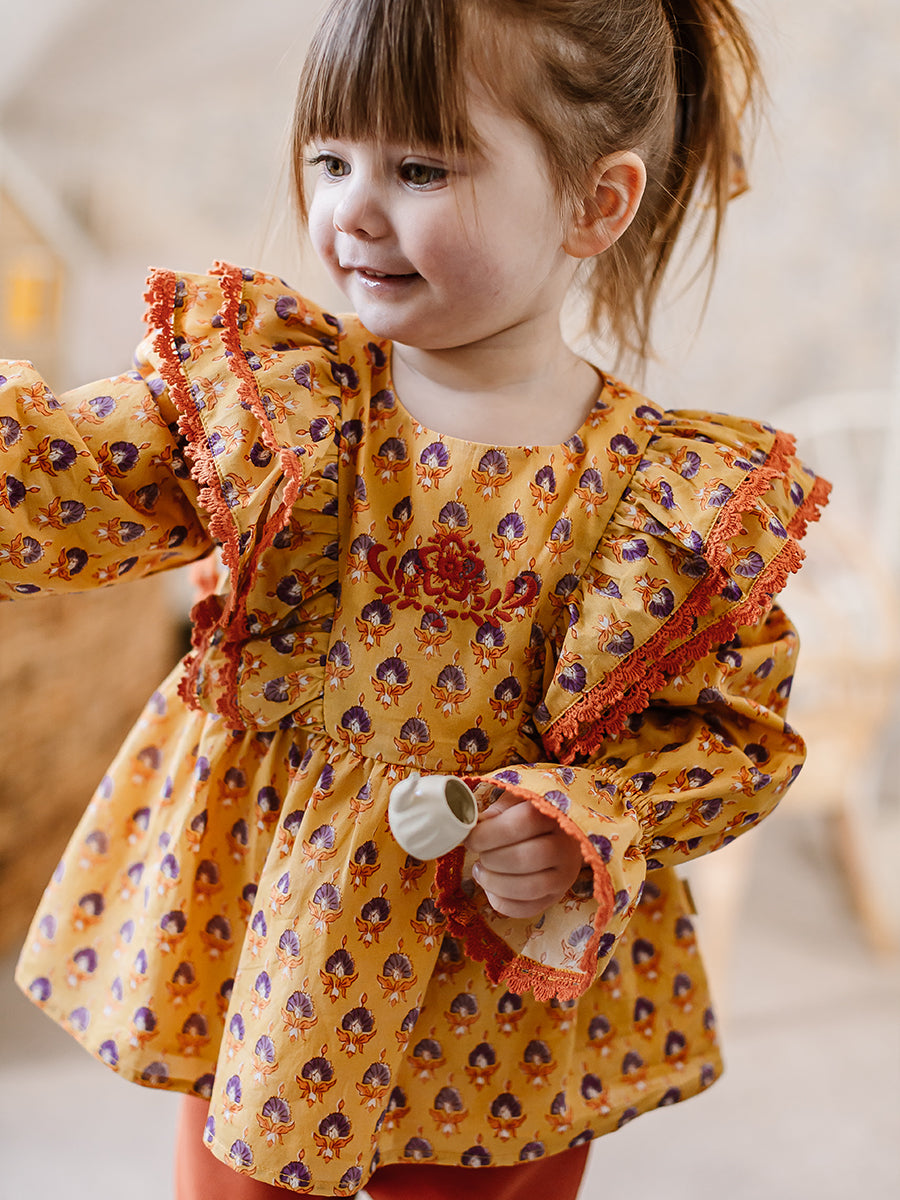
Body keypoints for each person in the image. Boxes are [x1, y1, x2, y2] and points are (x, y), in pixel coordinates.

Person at [4, 1, 830, 1197]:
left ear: (596, 204)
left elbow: (725, 737)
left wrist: (580, 821)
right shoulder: (277, 408)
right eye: (332, 157)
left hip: (496, 1002)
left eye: (421, 168)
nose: (350, 208)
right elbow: (65, 475)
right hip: (274, 947)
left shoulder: (662, 500)